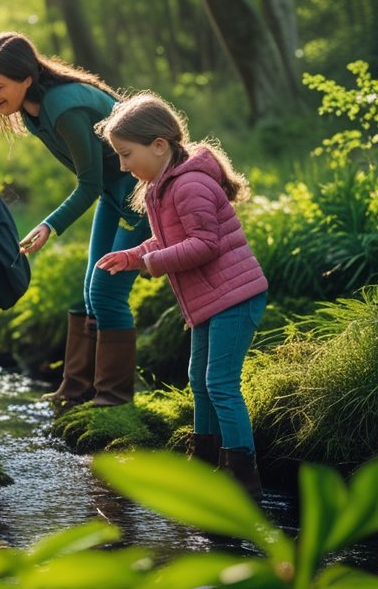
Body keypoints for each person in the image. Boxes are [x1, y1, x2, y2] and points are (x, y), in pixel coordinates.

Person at [95, 92, 268, 497]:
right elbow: (166, 239)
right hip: (211, 300)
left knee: (220, 383)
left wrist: (150, 264)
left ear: (159, 146)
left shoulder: (188, 184)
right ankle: (205, 459)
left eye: (126, 154)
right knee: (199, 378)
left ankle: (243, 477)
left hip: (235, 297)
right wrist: (133, 254)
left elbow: (205, 244)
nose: (123, 165)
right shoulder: (161, 186)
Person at [0, 31, 151, 408]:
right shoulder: (32, 108)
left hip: (140, 193)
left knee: (107, 291)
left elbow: (87, 185)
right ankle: (77, 391)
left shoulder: (64, 108)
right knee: (92, 289)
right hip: (114, 190)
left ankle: (115, 398)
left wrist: (48, 225)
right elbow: (97, 182)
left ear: (26, 79)